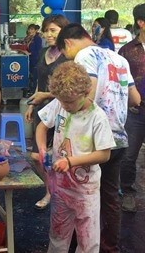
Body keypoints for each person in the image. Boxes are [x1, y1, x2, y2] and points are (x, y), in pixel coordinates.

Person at [55, 23, 141, 252]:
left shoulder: (83, 55)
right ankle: (109, 247)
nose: (68, 59)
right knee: (110, 198)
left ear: (68, 43)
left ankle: (77, 245)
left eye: (65, 54)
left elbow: (86, 96)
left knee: (78, 194)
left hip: (91, 139)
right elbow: (135, 99)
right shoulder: (119, 59)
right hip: (118, 139)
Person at [36, 61, 116, 253]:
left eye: (70, 102)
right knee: (57, 235)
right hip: (61, 186)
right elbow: (41, 127)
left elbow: (104, 154)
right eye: (62, 101)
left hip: (85, 190)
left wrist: (71, 161)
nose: (66, 106)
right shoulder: (60, 103)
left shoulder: (97, 117)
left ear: (85, 92)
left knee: (87, 240)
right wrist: (41, 149)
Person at [25, 14, 69, 210]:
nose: (48, 34)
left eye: (53, 30)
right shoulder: (43, 53)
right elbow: (39, 83)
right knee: (37, 156)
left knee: (59, 155)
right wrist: (32, 104)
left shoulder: (68, 55)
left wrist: (46, 95)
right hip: (42, 110)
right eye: (46, 30)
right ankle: (51, 189)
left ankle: (57, 192)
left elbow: (69, 89)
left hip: (62, 110)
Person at [119, 3, 145, 212]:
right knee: (128, 156)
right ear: (141, 23)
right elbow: (119, 83)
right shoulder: (126, 51)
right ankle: (128, 192)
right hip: (135, 113)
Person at [23, 23, 42, 95]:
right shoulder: (29, 38)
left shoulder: (37, 38)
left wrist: (30, 53)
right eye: (29, 29)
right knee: (30, 76)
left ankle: (34, 92)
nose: (30, 31)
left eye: (32, 29)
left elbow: (38, 50)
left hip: (35, 60)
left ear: (35, 30)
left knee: (34, 77)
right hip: (29, 60)